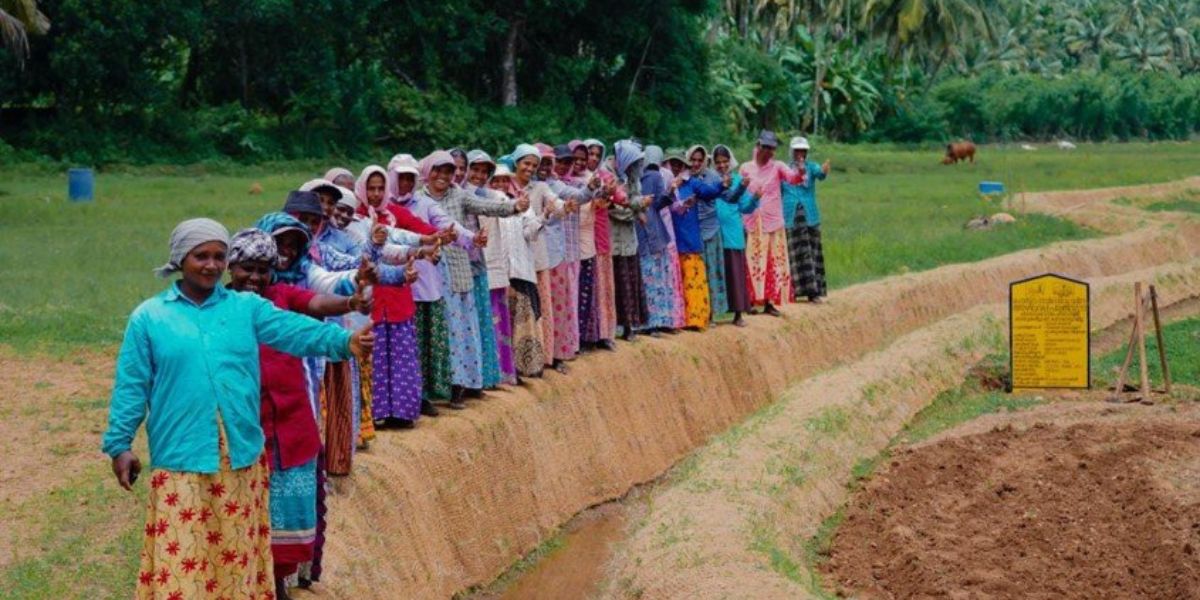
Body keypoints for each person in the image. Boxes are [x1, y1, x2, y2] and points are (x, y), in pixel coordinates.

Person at [102, 218, 373, 600]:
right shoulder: (150, 317)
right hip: (181, 457)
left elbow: (294, 330)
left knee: (235, 557)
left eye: (219, 256)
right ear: (180, 258)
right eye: (201, 256)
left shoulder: (247, 308)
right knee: (183, 558)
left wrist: (345, 342)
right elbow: (132, 385)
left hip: (240, 458)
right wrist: (120, 444)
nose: (211, 265)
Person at [224, 228, 368, 599]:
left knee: (286, 517)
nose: (255, 277)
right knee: (243, 512)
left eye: (263, 269)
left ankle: (279, 584)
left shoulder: (282, 297)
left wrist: (350, 303)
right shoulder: (218, 309)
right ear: (231, 267)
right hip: (244, 429)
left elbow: (316, 304)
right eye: (246, 268)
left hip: (291, 426)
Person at [417, 151, 523, 405]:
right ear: (428, 171)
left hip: (458, 271)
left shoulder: (458, 194)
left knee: (460, 330)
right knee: (435, 332)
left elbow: (484, 205)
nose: (443, 177)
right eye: (438, 171)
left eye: (448, 172)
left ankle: (461, 385)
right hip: (428, 274)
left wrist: (513, 207)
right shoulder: (419, 198)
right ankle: (435, 389)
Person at [507, 143, 569, 372]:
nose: (530, 169)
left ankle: (542, 358)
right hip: (512, 260)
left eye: (534, 165)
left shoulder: (540, 187)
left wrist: (564, 207)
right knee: (514, 310)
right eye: (526, 163)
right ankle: (513, 363)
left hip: (536, 258)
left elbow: (556, 203)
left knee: (538, 309)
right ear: (516, 163)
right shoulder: (504, 185)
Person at [739, 129, 805, 316]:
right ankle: (750, 301)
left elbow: (793, 178)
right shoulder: (746, 168)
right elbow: (741, 193)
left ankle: (769, 301)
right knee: (752, 260)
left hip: (772, 222)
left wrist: (800, 170)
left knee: (772, 260)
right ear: (758, 146)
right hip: (752, 221)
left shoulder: (778, 166)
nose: (769, 151)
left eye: (772, 148)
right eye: (766, 147)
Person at [671, 145, 726, 329]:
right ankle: (679, 320)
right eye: (673, 164)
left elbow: (708, 192)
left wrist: (722, 185)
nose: (676, 167)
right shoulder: (665, 182)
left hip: (690, 238)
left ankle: (696, 319)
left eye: (679, 164)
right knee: (677, 281)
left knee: (693, 279)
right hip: (671, 240)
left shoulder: (692, 183)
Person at [712, 145, 761, 327]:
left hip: (732, 234)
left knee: (735, 273)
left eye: (725, 161)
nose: (722, 165)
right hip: (713, 234)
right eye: (718, 162)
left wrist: (755, 198)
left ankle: (738, 314)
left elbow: (745, 207)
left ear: (730, 161)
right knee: (715, 273)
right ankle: (712, 314)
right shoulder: (710, 180)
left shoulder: (738, 180)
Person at [635, 145, 681, 336]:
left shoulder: (636, 177)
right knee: (655, 279)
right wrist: (669, 192)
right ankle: (654, 322)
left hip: (641, 231)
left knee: (646, 278)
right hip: (652, 231)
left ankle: (647, 322)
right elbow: (656, 204)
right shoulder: (655, 176)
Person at [607, 139, 650, 340]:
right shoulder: (607, 175)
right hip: (612, 237)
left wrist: (639, 205)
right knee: (615, 282)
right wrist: (636, 209)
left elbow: (635, 198)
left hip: (629, 239)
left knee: (630, 282)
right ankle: (613, 327)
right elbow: (613, 209)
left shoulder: (631, 176)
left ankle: (629, 326)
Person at [783, 136, 831, 303]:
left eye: (803, 151)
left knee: (811, 251)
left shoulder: (811, 167)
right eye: (797, 151)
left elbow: (820, 174)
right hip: (790, 215)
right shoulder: (785, 170)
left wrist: (824, 171)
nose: (800, 154)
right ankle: (794, 291)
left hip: (810, 215)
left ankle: (813, 292)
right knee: (793, 252)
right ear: (792, 152)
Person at [582, 139, 618, 349]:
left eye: (597, 155)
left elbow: (618, 197)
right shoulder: (577, 178)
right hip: (584, 236)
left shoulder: (605, 176)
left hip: (601, 232)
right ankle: (589, 335)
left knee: (603, 285)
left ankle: (605, 333)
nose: (594, 158)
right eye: (590, 154)